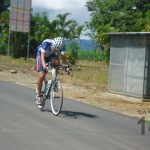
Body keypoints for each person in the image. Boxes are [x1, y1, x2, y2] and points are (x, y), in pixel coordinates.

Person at [36, 37, 66, 105]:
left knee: (57, 61)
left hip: (50, 56)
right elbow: (42, 57)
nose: (56, 51)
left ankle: (54, 79)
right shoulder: (46, 42)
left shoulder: (62, 46)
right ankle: (38, 95)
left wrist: (66, 68)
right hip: (41, 55)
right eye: (55, 49)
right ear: (53, 45)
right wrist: (44, 67)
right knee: (42, 75)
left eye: (57, 50)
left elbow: (63, 60)